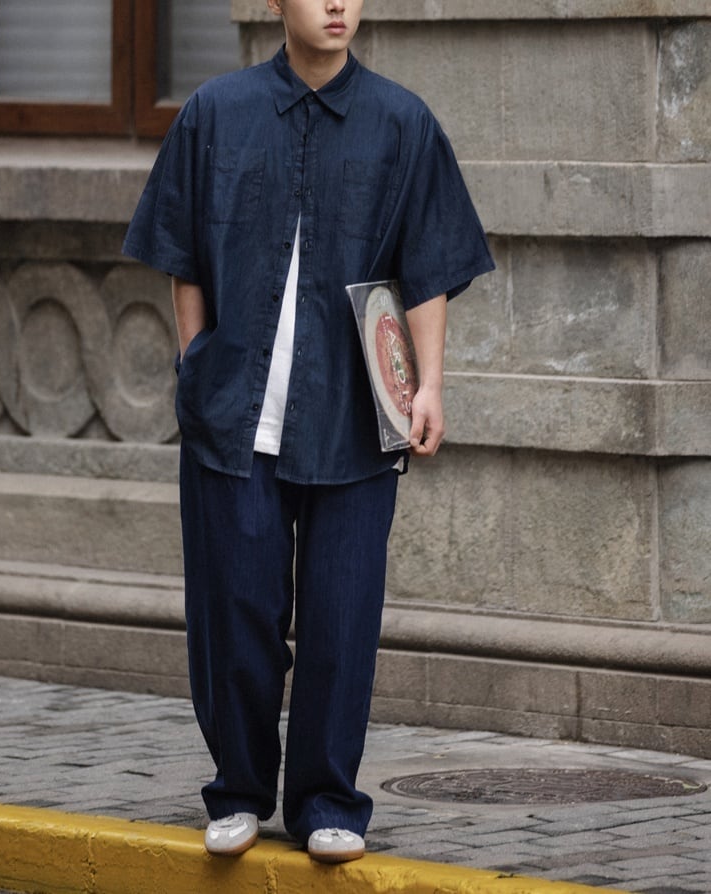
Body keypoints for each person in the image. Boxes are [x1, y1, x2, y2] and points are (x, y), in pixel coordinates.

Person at [123, 0, 494, 864]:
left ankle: (329, 801)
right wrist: (196, 364)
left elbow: (428, 268)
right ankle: (239, 791)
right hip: (235, 419)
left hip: (358, 420)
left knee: (341, 617)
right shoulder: (216, 112)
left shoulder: (402, 123)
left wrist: (431, 386)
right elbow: (182, 256)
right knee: (236, 614)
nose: (337, 5)